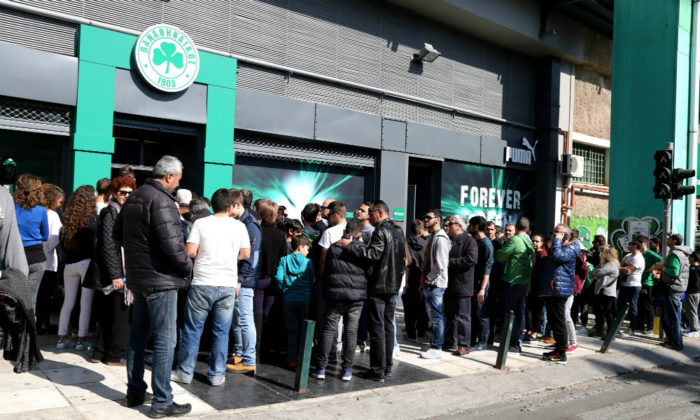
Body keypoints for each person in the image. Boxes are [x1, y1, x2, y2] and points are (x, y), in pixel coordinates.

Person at [113, 155, 193, 417]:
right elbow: (173, 245)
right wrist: (187, 267)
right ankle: (162, 401)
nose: (178, 183)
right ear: (169, 176)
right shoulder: (162, 200)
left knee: (138, 337)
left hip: (139, 279)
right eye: (178, 179)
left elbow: (117, 235)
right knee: (164, 341)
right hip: (160, 280)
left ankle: (135, 391)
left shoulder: (134, 197)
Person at [171, 189, 250, 387]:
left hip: (203, 282)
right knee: (221, 332)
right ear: (231, 206)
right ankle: (216, 375)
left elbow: (190, 251)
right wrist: (229, 256)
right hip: (227, 284)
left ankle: (185, 372)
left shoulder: (201, 223)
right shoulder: (239, 226)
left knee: (192, 330)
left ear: (212, 205)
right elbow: (246, 254)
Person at [338, 200, 405, 382]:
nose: (370, 216)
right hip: (391, 287)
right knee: (387, 326)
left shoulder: (381, 231)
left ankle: (378, 370)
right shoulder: (396, 232)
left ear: (380, 212)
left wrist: (350, 245)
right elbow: (401, 263)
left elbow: (372, 255)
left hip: (380, 287)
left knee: (377, 329)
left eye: (372, 212)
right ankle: (386, 366)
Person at [84, 176, 137, 365]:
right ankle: (114, 356)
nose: (126, 196)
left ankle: (99, 353)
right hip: (114, 274)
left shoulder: (122, 212)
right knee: (119, 316)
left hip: (113, 272)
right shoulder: (110, 213)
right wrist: (116, 275)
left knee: (109, 315)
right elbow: (108, 246)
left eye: (130, 193)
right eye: (123, 192)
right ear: (114, 193)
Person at [311, 220, 367, 380]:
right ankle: (347, 370)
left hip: (335, 296)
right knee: (351, 332)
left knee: (329, 330)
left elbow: (327, 268)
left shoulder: (334, 247)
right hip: (355, 298)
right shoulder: (362, 249)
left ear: (344, 232)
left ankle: (321, 368)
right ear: (359, 234)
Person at [57, 185, 97, 351]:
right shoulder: (93, 219)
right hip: (86, 263)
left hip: (70, 264)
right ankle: (81, 339)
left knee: (68, 302)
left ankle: (62, 338)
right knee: (85, 303)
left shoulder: (68, 218)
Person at [228, 188, 261, 375]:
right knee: (238, 319)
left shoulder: (249, 225)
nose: (227, 211)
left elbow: (252, 257)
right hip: (240, 278)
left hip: (244, 280)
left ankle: (248, 360)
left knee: (245, 319)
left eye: (229, 207)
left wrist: (241, 279)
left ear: (237, 205)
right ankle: (240, 354)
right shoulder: (242, 222)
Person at [539, 224, 579, 364]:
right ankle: (558, 349)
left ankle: (562, 354)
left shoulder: (572, 247)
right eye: (554, 232)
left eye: (558, 232)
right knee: (554, 321)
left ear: (566, 235)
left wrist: (556, 241)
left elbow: (558, 256)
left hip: (559, 289)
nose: (554, 234)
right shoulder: (561, 246)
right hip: (553, 289)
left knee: (559, 321)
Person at [494, 216, 534, 354]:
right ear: (527, 229)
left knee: (508, 313)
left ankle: (509, 343)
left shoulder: (515, 240)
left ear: (516, 227)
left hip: (511, 281)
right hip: (523, 281)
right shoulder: (529, 241)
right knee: (518, 313)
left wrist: (506, 255)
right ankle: (515, 343)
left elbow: (499, 256)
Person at [276, 235, 315, 367]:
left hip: (288, 299)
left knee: (291, 330)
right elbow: (312, 280)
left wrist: (284, 289)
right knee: (304, 330)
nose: (308, 252)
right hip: (304, 299)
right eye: (307, 249)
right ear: (300, 247)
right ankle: (303, 359)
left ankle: (292, 359)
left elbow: (279, 278)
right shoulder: (308, 262)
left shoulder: (284, 260)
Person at [255, 200, 287, 359]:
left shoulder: (256, 232)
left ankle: (255, 351)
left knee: (256, 315)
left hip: (258, 279)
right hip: (273, 280)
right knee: (268, 314)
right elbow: (283, 259)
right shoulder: (280, 235)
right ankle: (266, 349)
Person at [13, 174, 48, 312]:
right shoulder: (41, 211)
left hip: (15, 255)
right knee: (31, 301)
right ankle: (29, 326)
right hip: (36, 257)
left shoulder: (11, 208)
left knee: (14, 298)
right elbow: (45, 236)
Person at [444, 215, 477, 356]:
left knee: (463, 317)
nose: (447, 226)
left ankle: (464, 345)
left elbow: (471, 259)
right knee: (450, 315)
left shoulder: (469, 241)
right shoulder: (449, 240)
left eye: (450, 223)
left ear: (459, 226)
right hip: (449, 284)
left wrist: (450, 262)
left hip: (463, 285)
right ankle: (450, 341)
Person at [419, 209, 450, 359]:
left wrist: (429, 278)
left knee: (437, 317)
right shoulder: (433, 235)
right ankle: (434, 344)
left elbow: (441, 264)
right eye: (425, 217)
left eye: (428, 217)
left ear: (437, 220)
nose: (425, 220)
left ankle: (436, 348)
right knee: (434, 316)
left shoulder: (441, 238)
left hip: (436, 283)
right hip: (431, 282)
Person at [654, 233, 691, 350]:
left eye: (669, 238)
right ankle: (672, 340)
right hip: (675, 288)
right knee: (671, 316)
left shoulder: (675, 254)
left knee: (673, 317)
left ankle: (676, 343)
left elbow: (674, 272)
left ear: (674, 241)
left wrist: (662, 267)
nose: (667, 240)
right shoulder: (680, 253)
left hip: (673, 289)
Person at [37, 183, 64, 334]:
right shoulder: (53, 215)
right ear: (53, 199)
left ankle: (38, 322)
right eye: (59, 201)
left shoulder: (36, 212)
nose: (60, 205)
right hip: (48, 261)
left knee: (37, 295)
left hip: (35, 258)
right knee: (45, 296)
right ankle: (43, 324)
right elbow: (53, 241)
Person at [467, 216, 493, 351]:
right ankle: (472, 340)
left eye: (470, 225)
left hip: (481, 284)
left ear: (476, 227)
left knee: (482, 313)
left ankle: (483, 342)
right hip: (472, 283)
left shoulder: (486, 244)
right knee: (473, 313)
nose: (468, 227)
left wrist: (482, 288)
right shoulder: (474, 241)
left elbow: (487, 268)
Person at [402, 220, 429, 341]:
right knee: (422, 308)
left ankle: (411, 334)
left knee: (409, 309)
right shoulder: (426, 244)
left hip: (408, 278)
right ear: (421, 230)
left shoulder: (405, 244)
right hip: (422, 278)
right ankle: (421, 333)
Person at [590, 245, 619, 337]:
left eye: (601, 253)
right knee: (599, 313)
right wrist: (595, 274)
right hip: (602, 291)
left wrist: (596, 275)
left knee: (608, 314)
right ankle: (600, 331)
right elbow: (593, 272)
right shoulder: (604, 264)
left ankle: (610, 333)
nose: (600, 255)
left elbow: (596, 272)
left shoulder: (611, 264)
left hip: (607, 292)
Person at [618, 239, 644, 336]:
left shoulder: (638, 258)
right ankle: (617, 327)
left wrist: (622, 268)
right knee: (620, 305)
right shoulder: (628, 255)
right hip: (623, 284)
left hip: (633, 285)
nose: (628, 245)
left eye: (630, 244)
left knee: (633, 306)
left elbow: (627, 270)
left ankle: (632, 328)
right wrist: (622, 268)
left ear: (635, 246)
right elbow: (620, 267)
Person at [637, 236, 661, 335]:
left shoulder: (650, 253)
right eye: (637, 242)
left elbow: (662, 261)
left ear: (645, 243)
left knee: (648, 305)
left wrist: (654, 270)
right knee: (640, 305)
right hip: (638, 282)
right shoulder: (639, 253)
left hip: (648, 283)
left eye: (640, 242)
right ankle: (640, 326)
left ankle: (651, 327)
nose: (638, 243)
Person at [525, 234, 547, 342]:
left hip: (539, 286)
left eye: (537, 241)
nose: (534, 243)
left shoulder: (542, 254)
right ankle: (529, 331)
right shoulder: (532, 253)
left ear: (542, 243)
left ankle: (534, 332)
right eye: (533, 241)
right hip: (530, 285)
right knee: (529, 309)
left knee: (536, 311)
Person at [682, 252, 700, 338]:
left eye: (689, 257)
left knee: (691, 311)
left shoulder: (692, 269)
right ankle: (694, 327)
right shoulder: (697, 268)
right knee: (693, 310)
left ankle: (694, 330)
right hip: (696, 292)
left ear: (692, 258)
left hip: (692, 292)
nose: (688, 259)